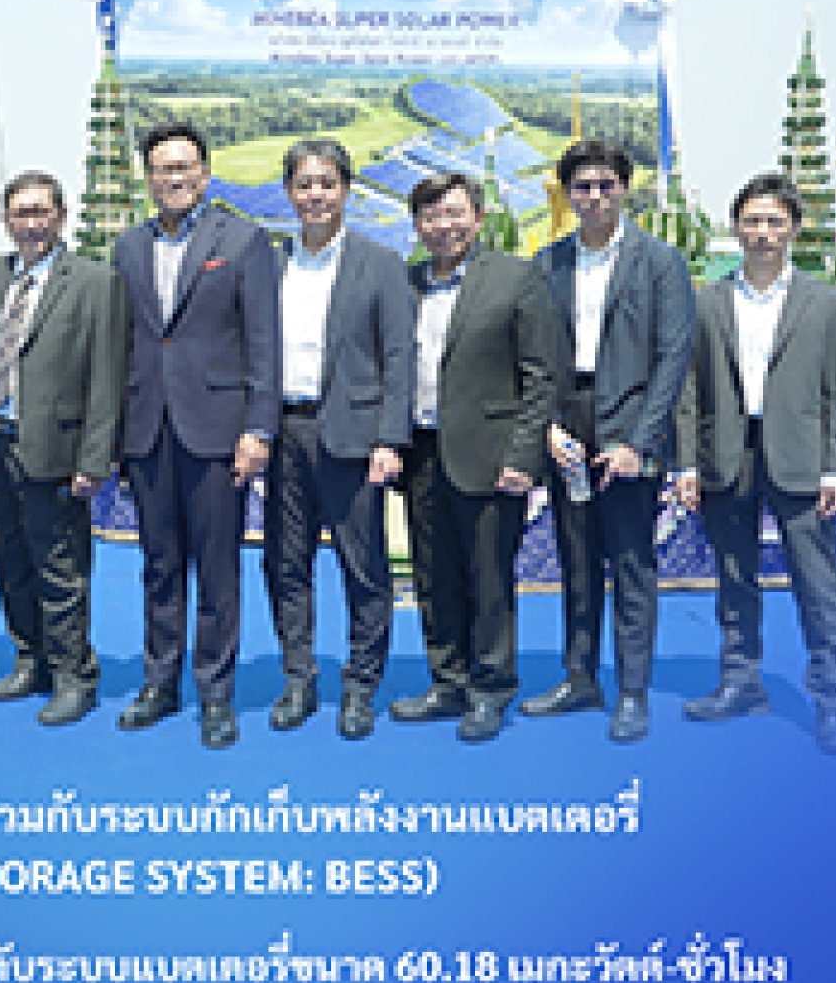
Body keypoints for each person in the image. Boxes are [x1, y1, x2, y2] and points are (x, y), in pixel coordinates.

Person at [674, 171, 836, 754]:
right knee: (735, 579)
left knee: (817, 585)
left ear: (794, 229)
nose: (763, 232)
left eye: (775, 222)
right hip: (726, 456)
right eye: (752, 220)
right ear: (735, 228)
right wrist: (685, 465)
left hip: (802, 460)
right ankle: (741, 682)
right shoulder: (707, 302)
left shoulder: (824, 303)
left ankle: (833, 700)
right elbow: (687, 392)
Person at [114, 122, 280, 749]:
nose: (174, 178)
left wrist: (258, 427)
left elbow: (263, 340)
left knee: (216, 568)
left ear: (205, 175)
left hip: (216, 431)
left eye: (185, 167)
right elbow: (124, 343)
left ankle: (215, 692)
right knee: (159, 565)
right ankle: (160, 682)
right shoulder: (128, 248)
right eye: (163, 169)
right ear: (149, 178)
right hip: (147, 430)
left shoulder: (242, 241)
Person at [525, 140, 695, 742]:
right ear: (567, 193)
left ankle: (632, 690)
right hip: (568, 424)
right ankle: (580, 676)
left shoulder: (660, 262)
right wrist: (548, 425)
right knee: (575, 559)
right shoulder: (548, 263)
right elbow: (533, 355)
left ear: (625, 189)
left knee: (630, 563)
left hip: (629, 426)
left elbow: (673, 359)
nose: (594, 196)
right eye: (583, 186)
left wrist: (638, 444)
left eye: (606, 185)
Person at [389, 174, 559, 742]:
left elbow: (541, 376)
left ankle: (490, 688)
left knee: (488, 580)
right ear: (417, 225)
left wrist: (524, 456)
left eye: (455, 213)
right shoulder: (406, 282)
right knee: (433, 576)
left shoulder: (516, 278)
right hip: (422, 452)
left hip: (491, 456)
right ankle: (447, 681)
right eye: (430, 215)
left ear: (478, 218)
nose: (444, 225)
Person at [260, 140, 413, 741]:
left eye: (327, 183)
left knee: (363, 567)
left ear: (346, 190)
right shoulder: (271, 263)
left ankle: (360, 685)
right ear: (289, 192)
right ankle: (298, 679)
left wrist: (390, 438)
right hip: (285, 434)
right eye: (304, 184)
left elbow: (399, 359)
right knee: (285, 565)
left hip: (355, 438)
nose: (315, 195)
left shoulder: (381, 264)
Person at [0, 171, 129, 725]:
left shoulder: (96, 283)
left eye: (41, 212)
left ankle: (74, 674)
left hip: (58, 451)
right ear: (6, 220)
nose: (32, 224)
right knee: (11, 560)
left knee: (60, 569)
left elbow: (107, 379)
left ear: (61, 216)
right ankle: (31, 658)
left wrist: (95, 459)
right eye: (21, 213)